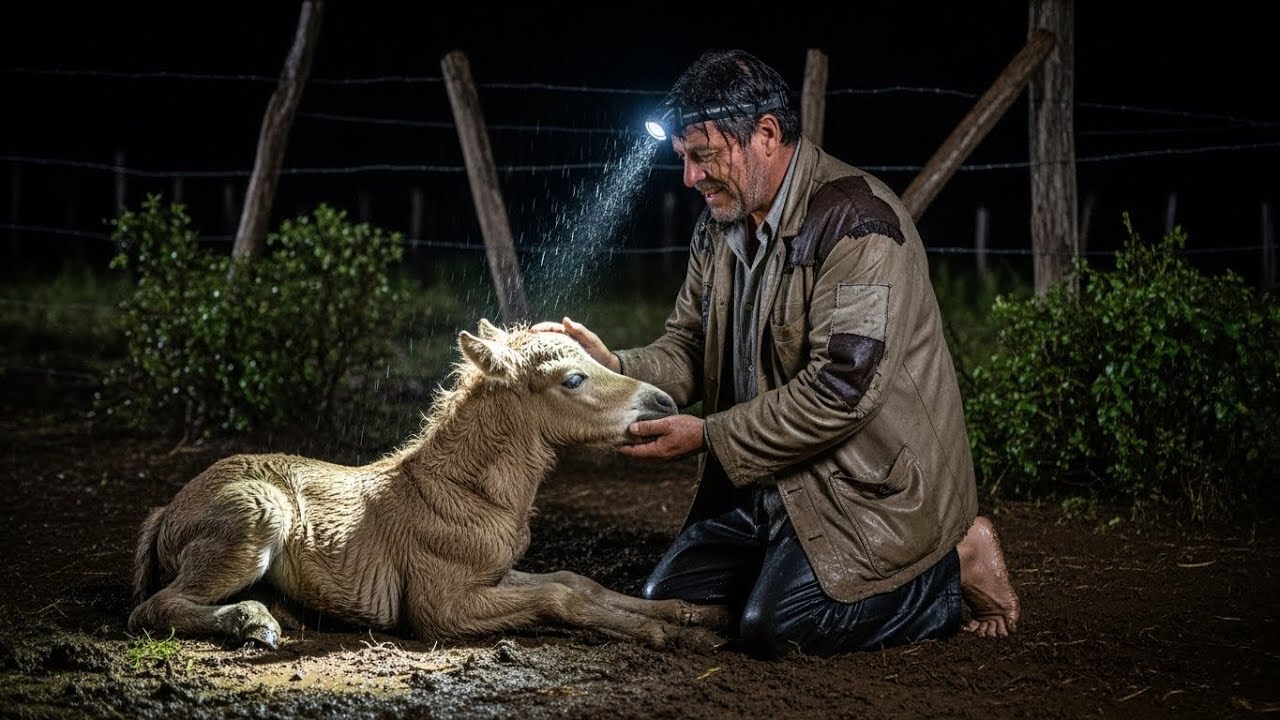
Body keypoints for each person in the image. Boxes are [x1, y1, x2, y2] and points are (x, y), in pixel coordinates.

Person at [533, 48, 1019, 659]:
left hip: (867, 488)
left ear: (765, 134)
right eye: (683, 158)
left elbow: (840, 394)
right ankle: (784, 568)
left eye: (703, 156)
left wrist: (709, 436)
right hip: (770, 484)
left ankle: (952, 560)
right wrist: (616, 368)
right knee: (670, 599)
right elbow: (689, 346)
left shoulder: (858, 225)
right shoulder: (720, 224)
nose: (689, 177)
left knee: (777, 628)